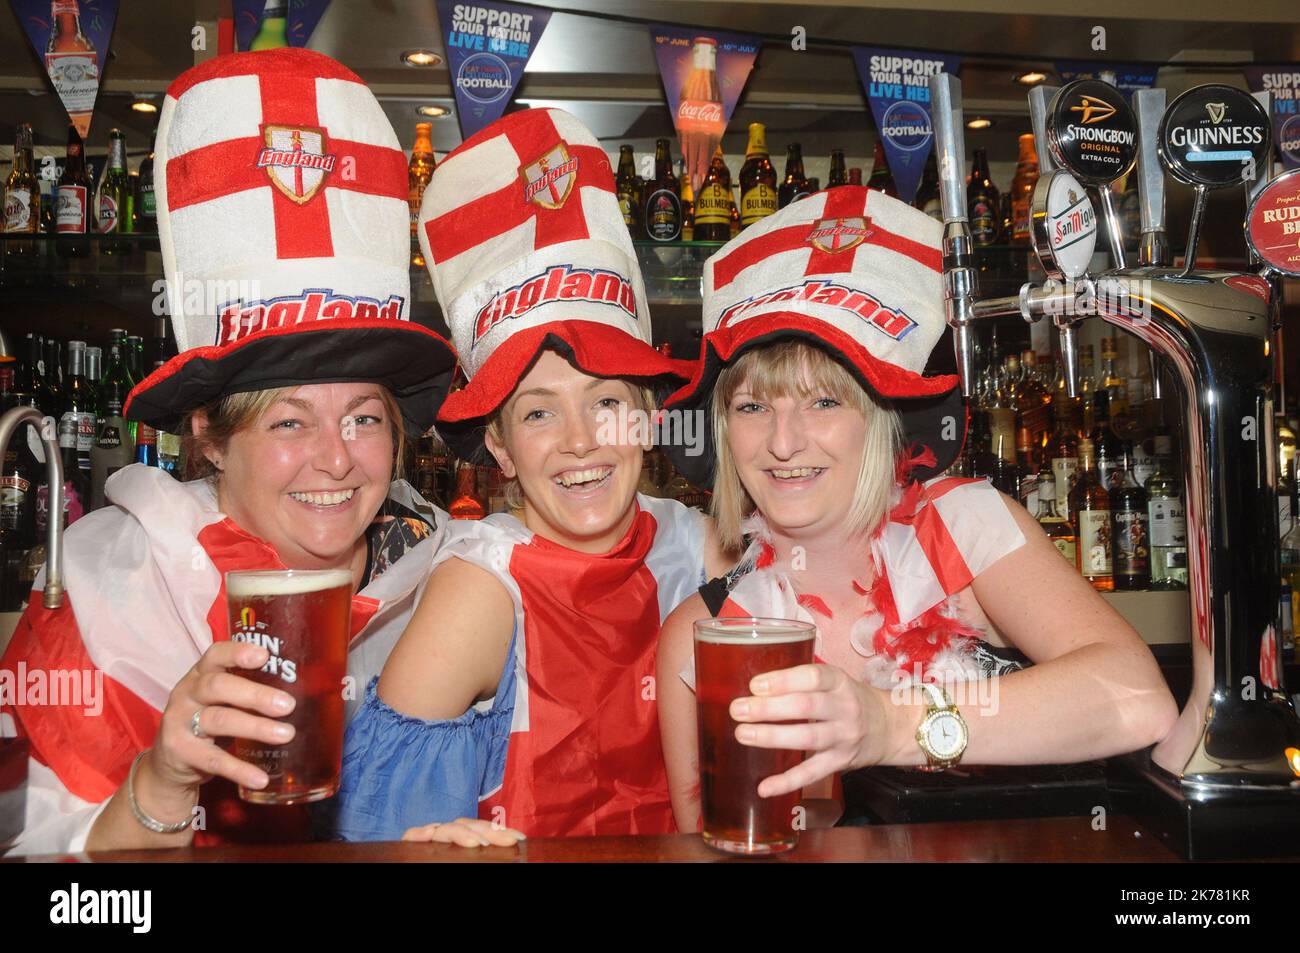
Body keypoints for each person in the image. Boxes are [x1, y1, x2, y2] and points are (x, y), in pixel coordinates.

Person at [0, 49, 516, 854]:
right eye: (287, 422)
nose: (338, 460)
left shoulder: (450, 576)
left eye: (364, 418)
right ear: (209, 434)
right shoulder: (104, 591)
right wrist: (163, 780)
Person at [656, 186, 1179, 831]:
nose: (783, 442)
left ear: (880, 421)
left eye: (824, 402)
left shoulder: (959, 527)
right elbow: (702, 837)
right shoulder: (702, 635)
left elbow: (1137, 698)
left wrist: (890, 724)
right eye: (752, 407)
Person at [327, 108, 734, 841]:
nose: (580, 442)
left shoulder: (703, 547)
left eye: (606, 402)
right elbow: (377, 834)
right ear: (502, 447)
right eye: (539, 413)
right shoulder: (481, 590)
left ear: (646, 420)